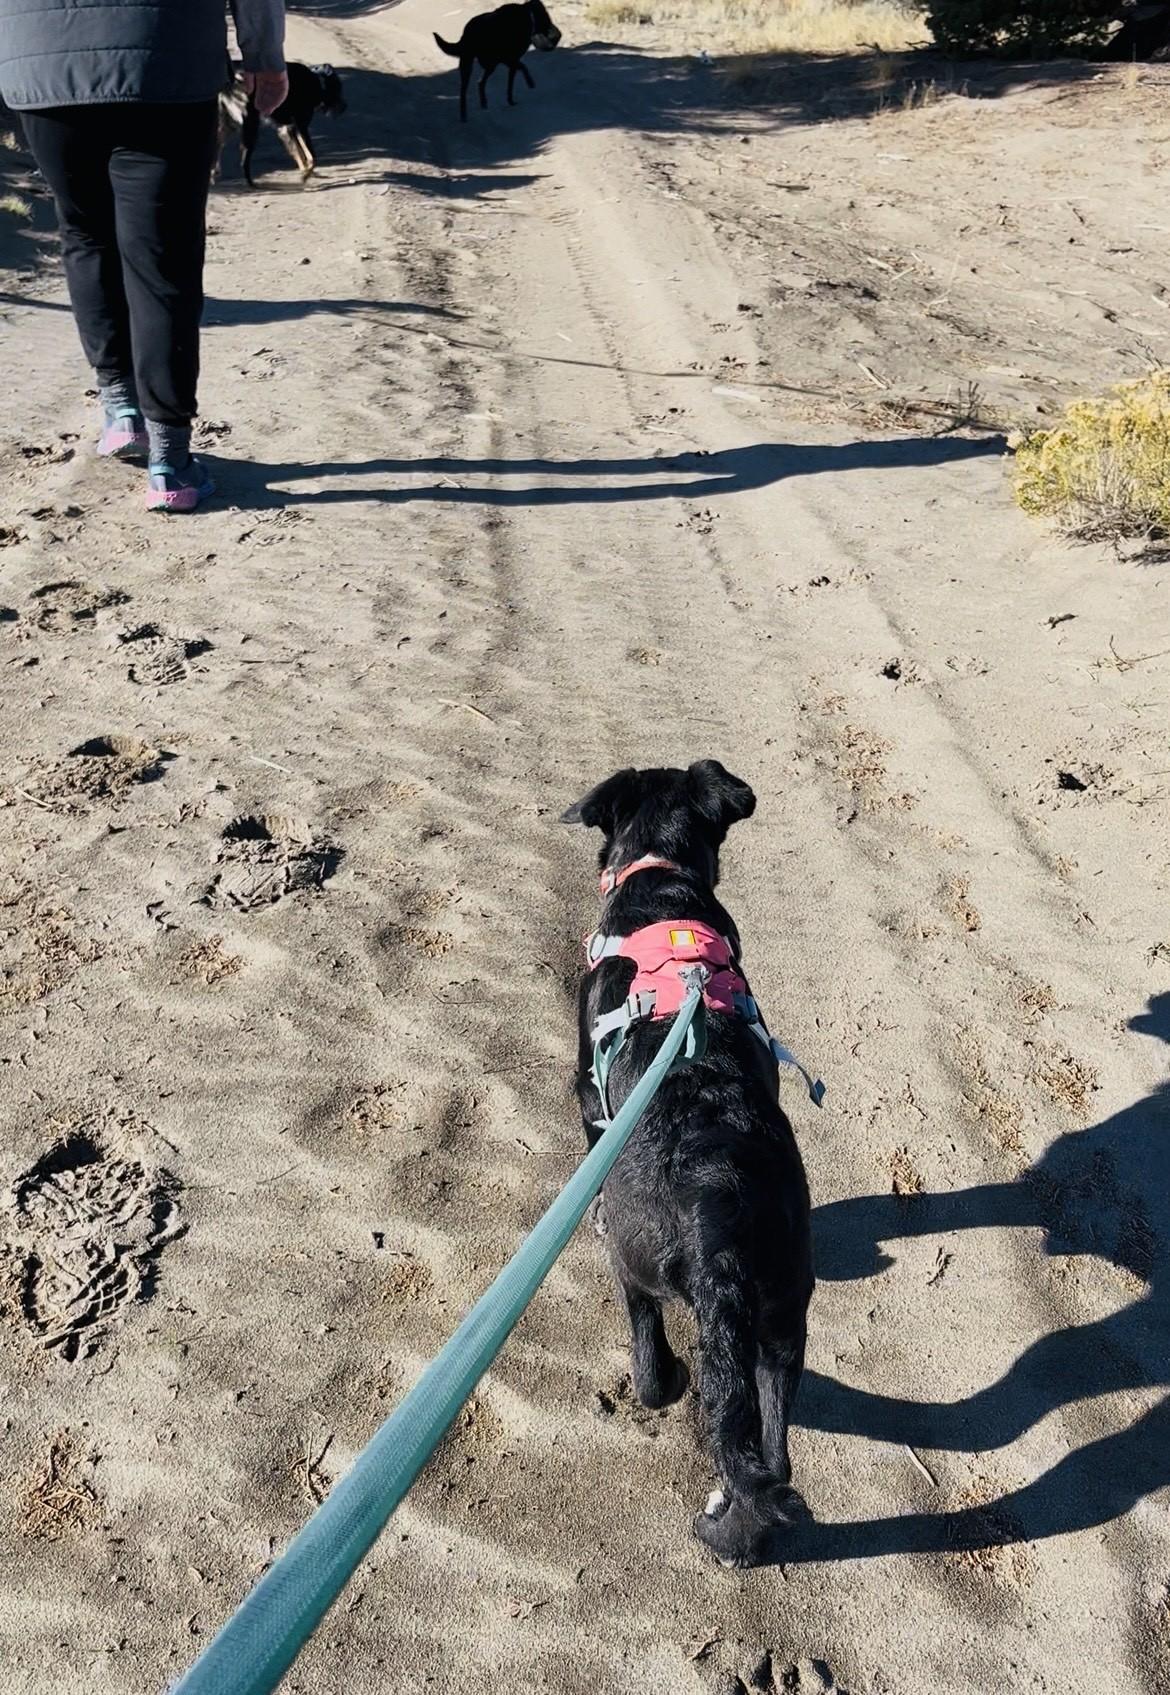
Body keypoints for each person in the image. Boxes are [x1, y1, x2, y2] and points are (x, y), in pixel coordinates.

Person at [0, 1, 288, 512]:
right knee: (163, 255)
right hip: (165, 60)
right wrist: (264, 56)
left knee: (85, 232)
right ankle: (170, 462)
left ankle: (121, 411)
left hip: (40, 62)